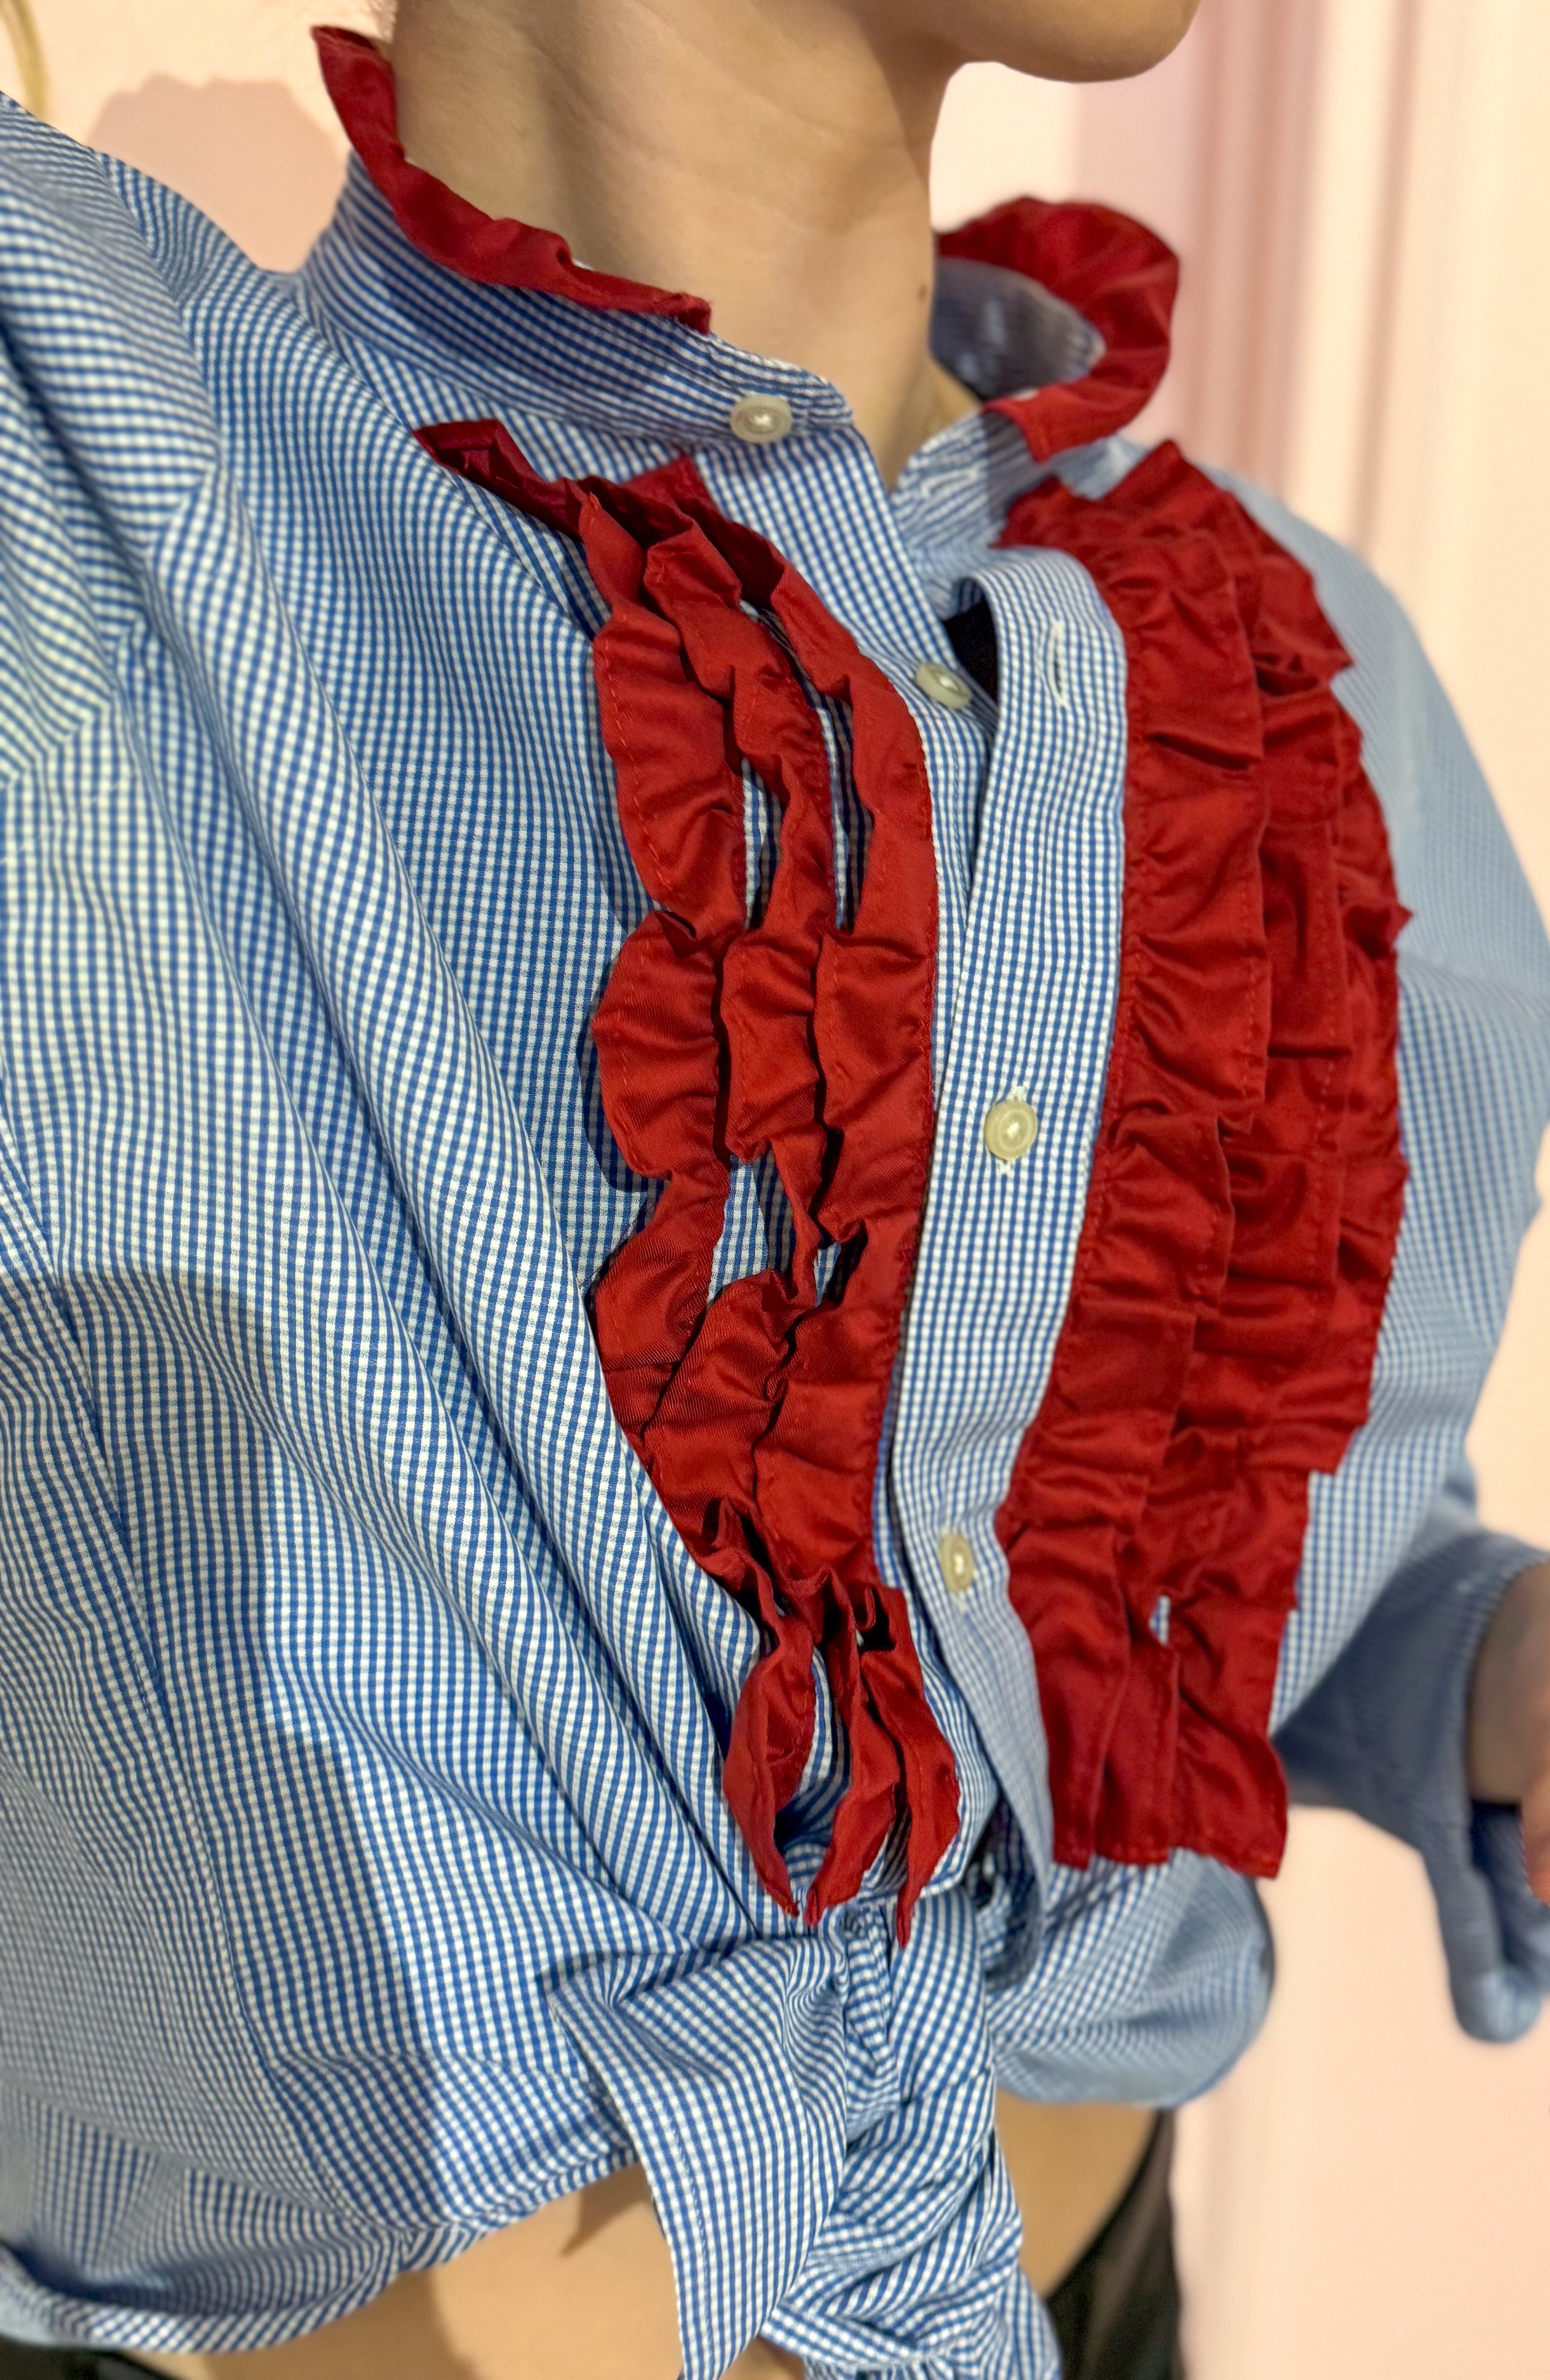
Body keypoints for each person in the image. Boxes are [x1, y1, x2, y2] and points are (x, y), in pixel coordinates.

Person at [0, 1, 1548, 2375]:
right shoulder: (92, 478)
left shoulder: (1291, 675)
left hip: (1106, 2292)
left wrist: (1486, 1670)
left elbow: (1210, 1538)